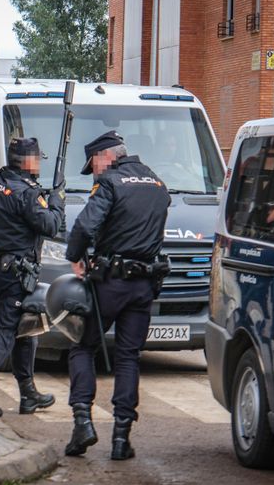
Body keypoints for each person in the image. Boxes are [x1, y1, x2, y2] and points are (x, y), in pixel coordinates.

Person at [63, 131, 170, 459]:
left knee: (82, 347)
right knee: (128, 357)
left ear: (105, 157)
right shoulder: (157, 183)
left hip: (110, 282)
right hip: (144, 286)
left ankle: (83, 423)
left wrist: (75, 256)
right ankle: (122, 439)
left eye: (94, 164)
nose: (94, 171)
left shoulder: (109, 183)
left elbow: (85, 226)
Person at [0, 137, 65, 417]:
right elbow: (51, 226)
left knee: (27, 329)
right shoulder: (27, 194)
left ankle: (28, 393)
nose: (40, 163)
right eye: (37, 159)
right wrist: (57, 201)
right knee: (5, 332)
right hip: (16, 270)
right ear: (28, 161)